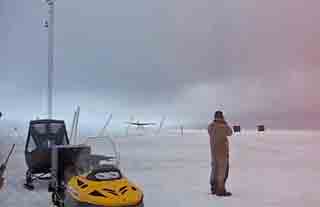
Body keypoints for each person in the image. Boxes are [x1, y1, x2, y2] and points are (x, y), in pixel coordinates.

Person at [208, 110, 233, 196]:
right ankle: (221, 189)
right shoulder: (223, 126)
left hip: (213, 152)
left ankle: (214, 188)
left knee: (214, 169)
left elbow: (211, 131)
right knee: (222, 170)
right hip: (222, 152)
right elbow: (230, 132)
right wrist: (224, 123)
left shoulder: (210, 126)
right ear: (221, 117)